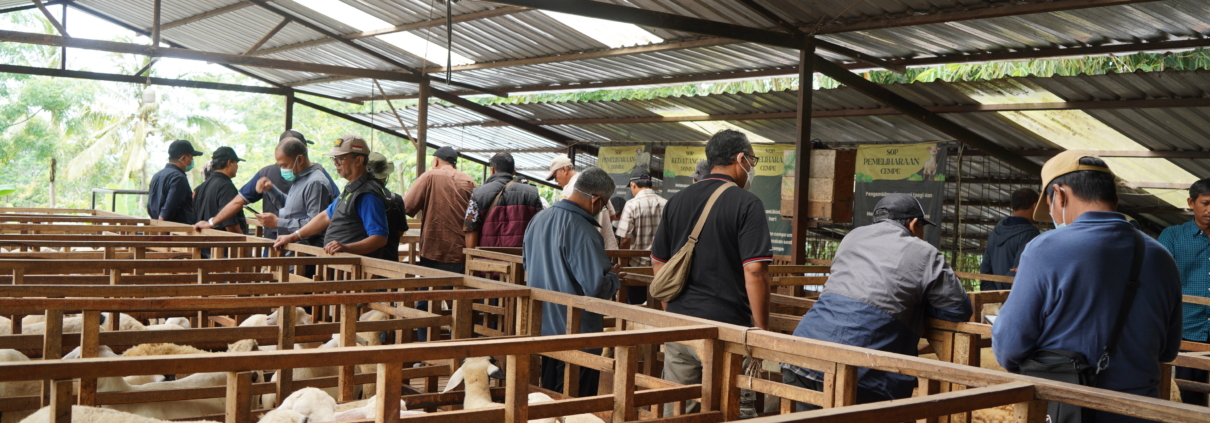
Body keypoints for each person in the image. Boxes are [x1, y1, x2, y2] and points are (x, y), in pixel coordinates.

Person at [994, 151, 1182, 423]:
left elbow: (1009, 347)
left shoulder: (1045, 249)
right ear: (1114, 198)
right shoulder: (1161, 256)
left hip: (1069, 409)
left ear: (1059, 194)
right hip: (1141, 411)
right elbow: (1168, 350)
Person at [781, 193, 972, 410]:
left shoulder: (852, 237)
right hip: (861, 373)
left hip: (801, 355)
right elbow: (959, 309)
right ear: (913, 224)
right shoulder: (925, 252)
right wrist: (918, 309)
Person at [649, 130, 771, 417]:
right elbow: (755, 271)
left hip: (680, 327)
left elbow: (658, 263)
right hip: (727, 329)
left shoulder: (677, 201)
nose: (751, 167)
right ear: (741, 158)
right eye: (751, 160)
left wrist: (674, 310)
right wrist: (763, 331)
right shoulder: (747, 203)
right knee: (732, 408)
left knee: (681, 409)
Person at [523, 167, 621, 397]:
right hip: (578, 334)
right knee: (576, 402)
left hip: (544, 328)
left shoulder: (538, 219)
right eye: (604, 204)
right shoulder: (584, 230)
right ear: (596, 199)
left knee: (548, 397)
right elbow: (595, 287)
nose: (603, 209)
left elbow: (527, 265)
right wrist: (614, 278)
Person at [194, 130, 338, 241]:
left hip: (305, 250)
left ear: (300, 158)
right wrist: (271, 190)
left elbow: (317, 223)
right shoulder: (297, 176)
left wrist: (278, 222)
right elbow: (290, 207)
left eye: (284, 165)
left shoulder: (316, 181)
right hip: (284, 245)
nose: (282, 170)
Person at [272, 135, 395, 260]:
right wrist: (293, 236)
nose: (336, 163)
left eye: (341, 159)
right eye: (334, 158)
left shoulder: (367, 194)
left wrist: (347, 248)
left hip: (354, 271)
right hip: (340, 268)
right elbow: (325, 216)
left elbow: (379, 239)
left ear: (358, 161)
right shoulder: (352, 188)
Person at [1158, 177, 1210, 406]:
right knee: (1189, 392)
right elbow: (1159, 281)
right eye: (1205, 203)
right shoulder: (1172, 236)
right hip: (1188, 328)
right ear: (1191, 202)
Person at [404, 146, 476, 272]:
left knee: (429, 289)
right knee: (455, 290)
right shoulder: (469, 181)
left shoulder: (430, 176)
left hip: (433, 250)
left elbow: (405, 206)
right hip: (460, 252)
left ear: (436, 161)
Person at [464, 152, 543, 248]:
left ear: (492, 170)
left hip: (486, 259)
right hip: (521, 259)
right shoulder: (532, 193)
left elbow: (470, 228)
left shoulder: (478, 194)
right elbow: (540, 227)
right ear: (514, 171)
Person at [616, 170, 667, 305]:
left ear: (633, 185)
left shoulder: (632, 205)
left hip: (636, 268)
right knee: (657, 307)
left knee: (636, 308)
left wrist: (624, 265)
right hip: (661, 269)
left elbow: (625, 239)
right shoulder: (666, 203)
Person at [547, 155, 618, 249]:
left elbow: (564, 223)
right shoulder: (595, 182)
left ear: (564, 169)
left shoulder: (570, 190)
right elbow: (612, 215)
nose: (556, 181)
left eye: (555, 176)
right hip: (607, 245)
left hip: (587, 248)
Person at [978, 188, 1040, 291]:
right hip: (1016, 296)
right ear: (1035, 205)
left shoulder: (996, 231)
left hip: (994, 297)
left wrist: (993, 295)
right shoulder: (1030, 234)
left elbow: (985, 269)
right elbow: (1020, 269)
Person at [192, 147, 248, 235]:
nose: (237, 167)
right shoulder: (226, 186)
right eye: (236, 163)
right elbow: (230, 223)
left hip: (204, 242)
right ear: (229, 163)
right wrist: (243, 244)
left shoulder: (201, 187)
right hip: (221, 246)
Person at [147, 140, 202, 224]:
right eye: (191, 157)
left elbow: (150, 205)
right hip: (174, 231)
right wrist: (161, 227)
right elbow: (169, 208)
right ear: (183, 158)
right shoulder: (179, 178)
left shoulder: (157, 175)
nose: (192, 160)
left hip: (156, 224)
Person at [367, 152, 409, 261]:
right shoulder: (396, 199)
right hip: (389, 258)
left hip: (364, 258)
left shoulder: (357, 197)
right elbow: (400, 231)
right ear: (385, 176)